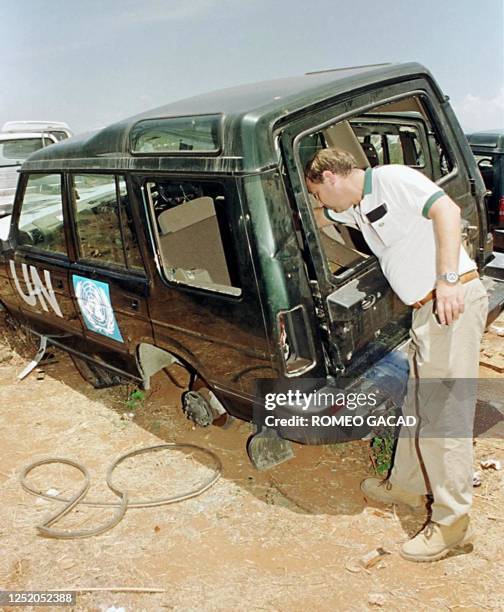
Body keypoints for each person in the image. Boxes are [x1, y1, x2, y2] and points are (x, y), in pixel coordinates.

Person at [305, 148, 489, 562]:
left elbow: (447, 211)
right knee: (419, 403)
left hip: (449, 303)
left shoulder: (392, 179)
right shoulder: (357, 207)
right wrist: (315, 212)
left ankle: (451, 522)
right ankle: (407, 485)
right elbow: (327, 218)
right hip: (426, 311)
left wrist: (448, 279)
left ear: (331, 177)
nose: (321, 202)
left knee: (444, 415)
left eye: (319, 192)